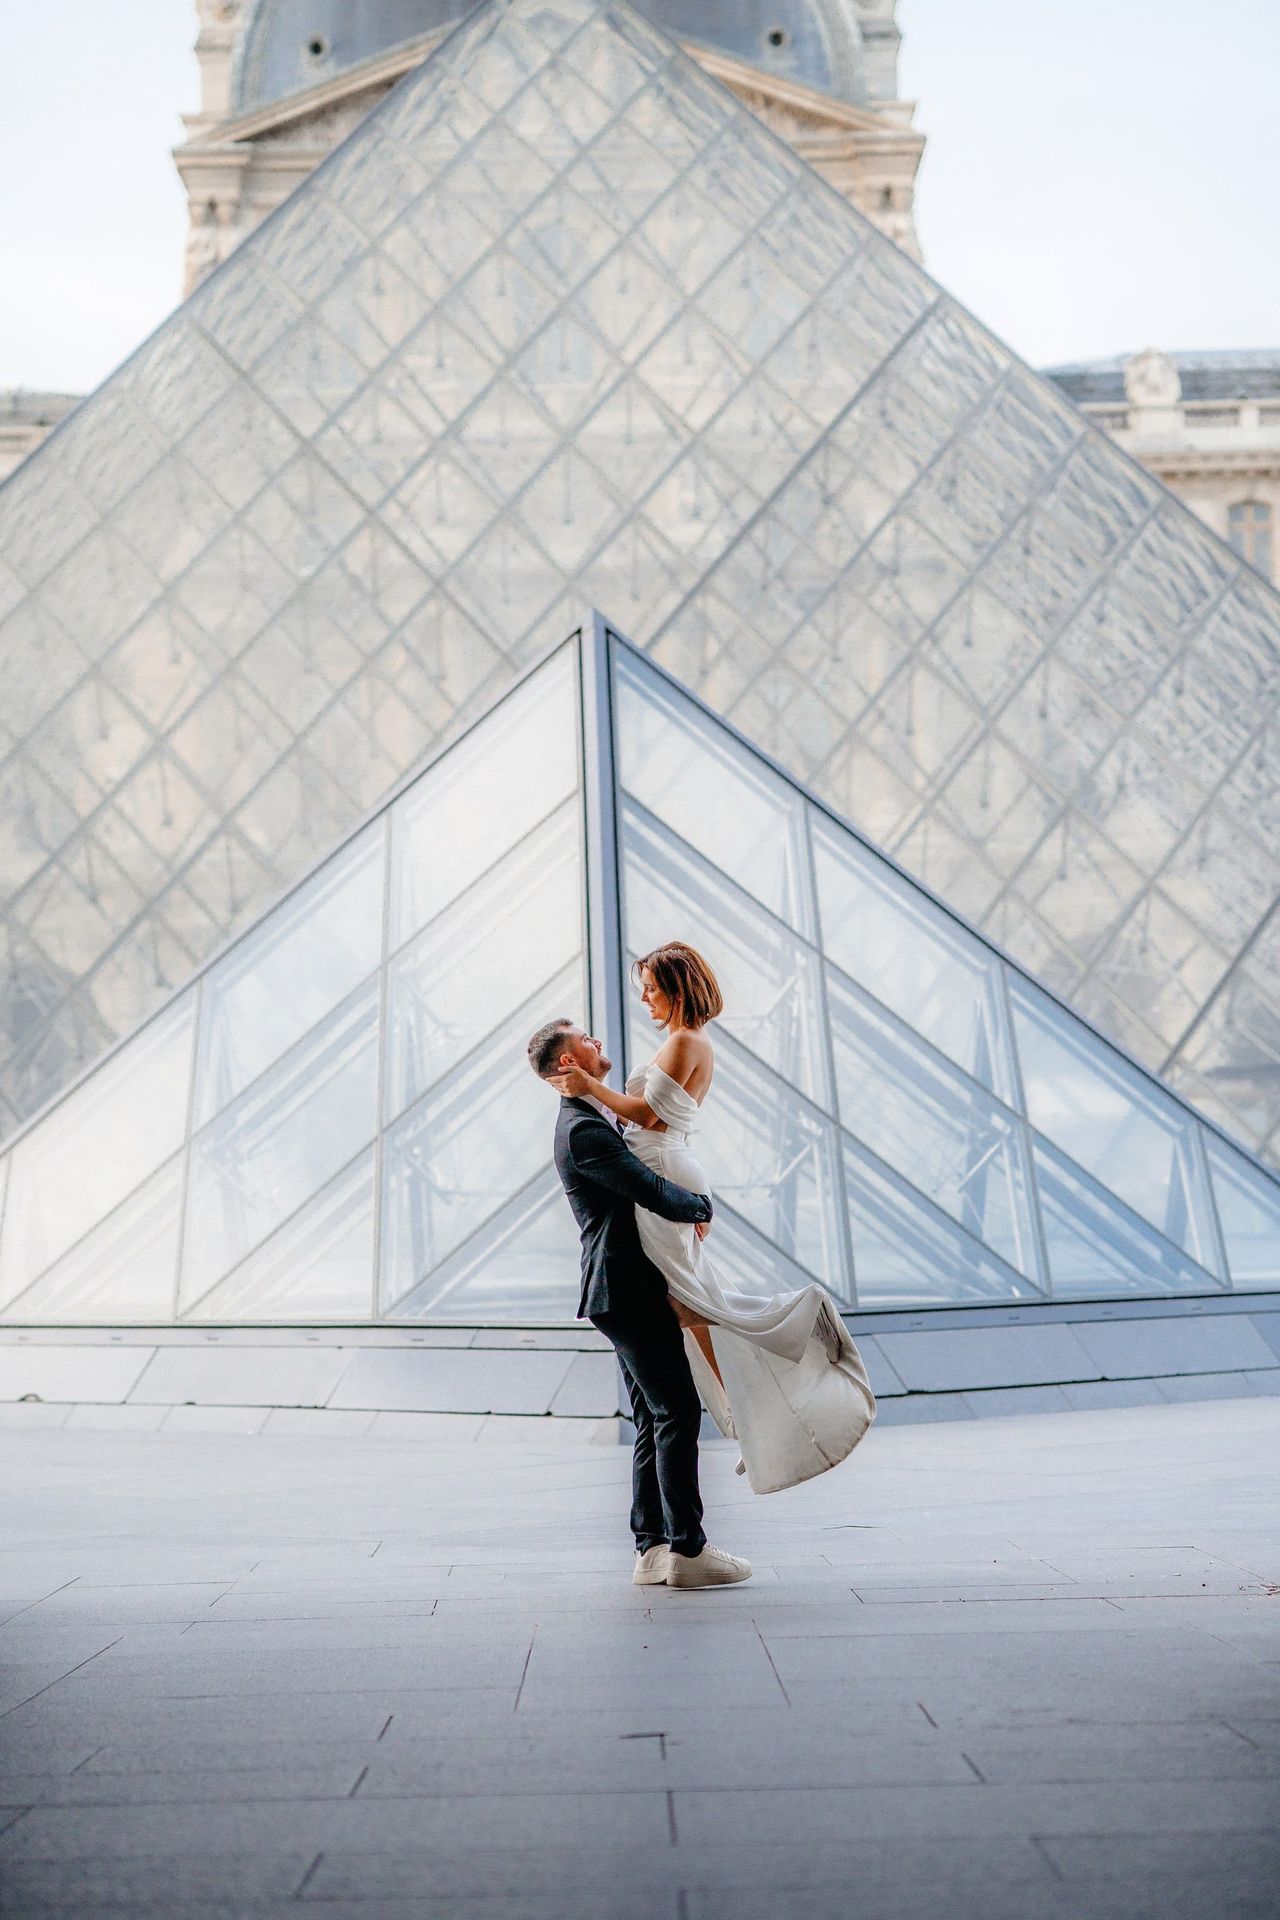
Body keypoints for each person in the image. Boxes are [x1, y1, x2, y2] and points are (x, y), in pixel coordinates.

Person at [548, 943, 876, 1497]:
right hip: (668, 1171)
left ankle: (797, 1327)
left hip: (664, 1173)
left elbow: (648, 1115)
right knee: (691, 1306)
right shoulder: (683, 1041)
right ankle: (749, 1423)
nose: (646, 999)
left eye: (651, 988)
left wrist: (589, 1088)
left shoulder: (683, 1041)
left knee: (696, 1303)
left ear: (676, 989)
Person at [528, 1016, 753, 1590]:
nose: (597, 1041)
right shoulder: (582, 1129)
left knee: (656, 1418)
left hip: (624, 1288)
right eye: (584, 1039)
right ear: (565, 1064)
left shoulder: (590, 1117)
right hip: (625, 1287)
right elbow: (646, 1187)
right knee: (677, 1411)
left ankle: (653, 1548)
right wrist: (701, 1206)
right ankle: (689, 1550)